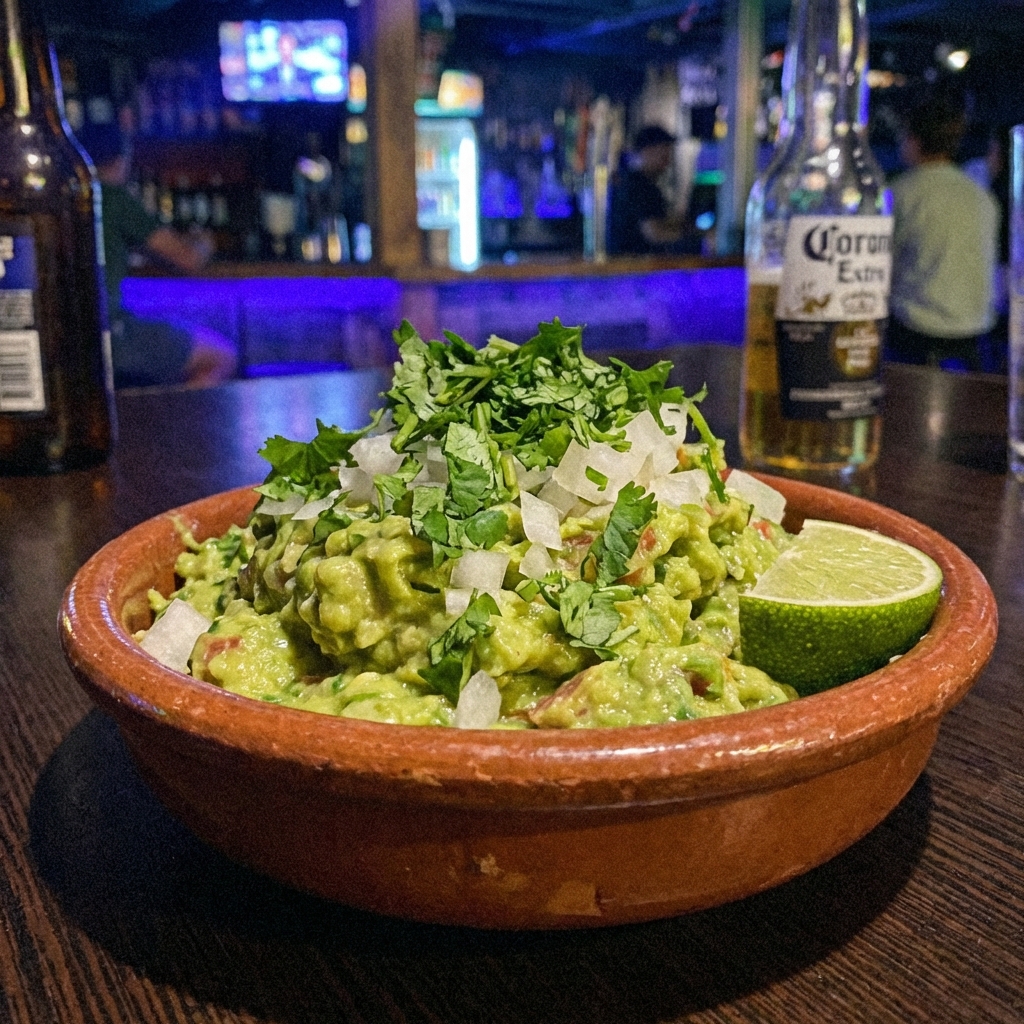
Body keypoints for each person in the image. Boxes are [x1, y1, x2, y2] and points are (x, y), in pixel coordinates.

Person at [76, 122, 237, 388]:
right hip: (110, 332)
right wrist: (205, 244)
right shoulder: (112, 197)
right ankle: (174, 425)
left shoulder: (67, 198)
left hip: (73, 339)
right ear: (121, 159)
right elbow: (188, 260)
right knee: (221, 357)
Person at [886, 94, 999, 369]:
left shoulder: (901, 192)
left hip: (917, 335)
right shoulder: (980, 195)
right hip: (977, 332)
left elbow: (881, 267)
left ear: (913, 140)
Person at [608, 125, 688, 255]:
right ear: (647, 150)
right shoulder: (640, 185)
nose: (667, 162)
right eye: (664, 155)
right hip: (635, 268)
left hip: (625, 265)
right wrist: (695, 239)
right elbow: (654, 233)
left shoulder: (630, 180)